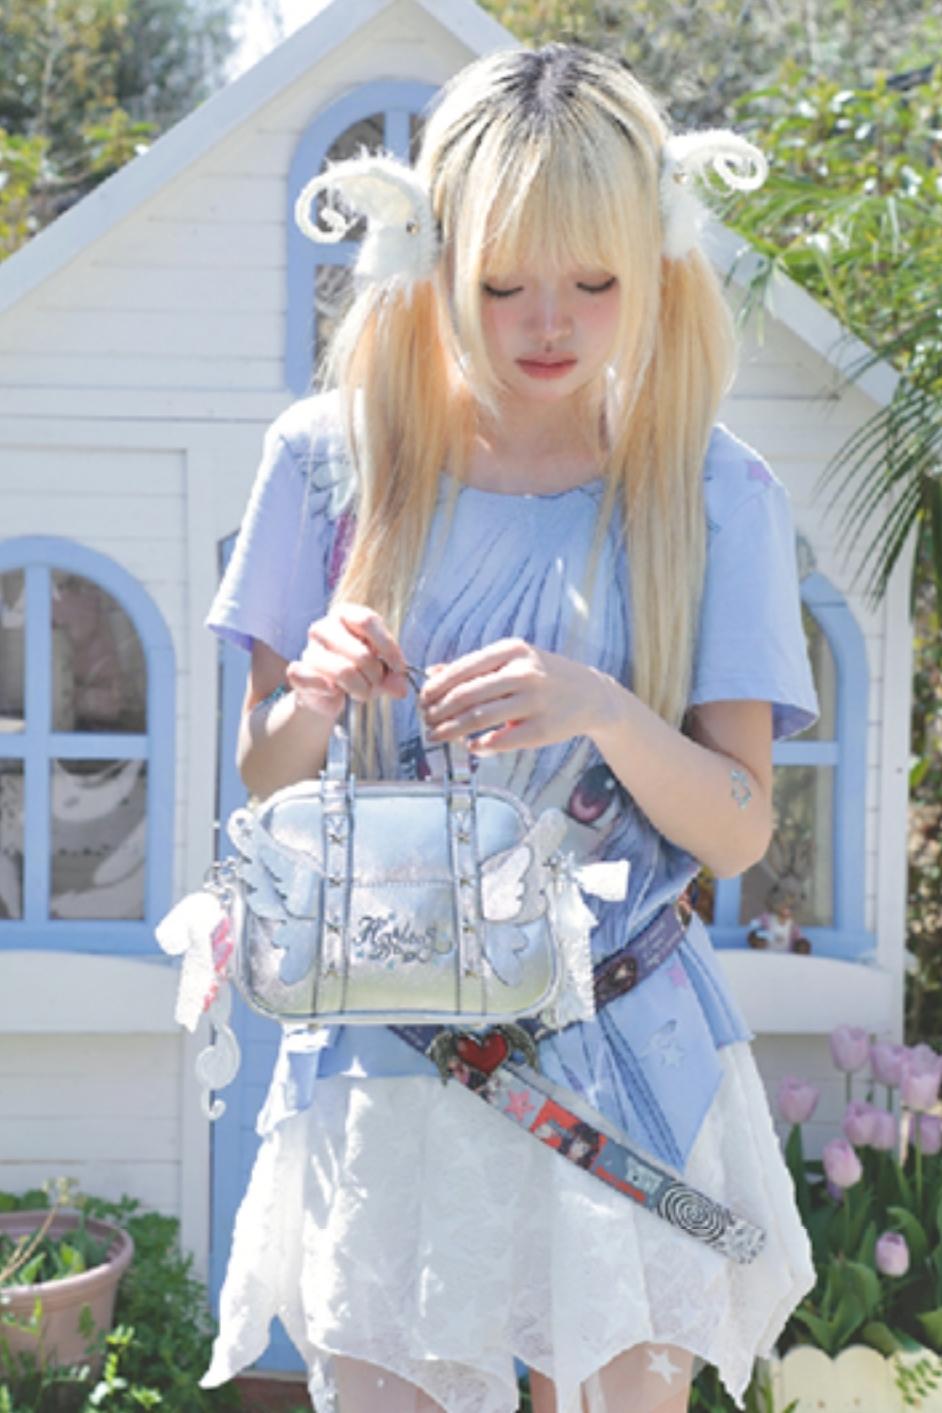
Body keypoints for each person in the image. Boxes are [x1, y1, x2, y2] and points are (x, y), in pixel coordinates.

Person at [199, 42, 821, 1413]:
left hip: (629, 1061)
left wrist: (600, 706)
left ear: (654, 262)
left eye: (594, 281)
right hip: (394, 1069)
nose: (549, 322)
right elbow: (260, 771)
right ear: (433, 258)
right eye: (502, 284)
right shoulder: (326, 460)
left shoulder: (714, 492)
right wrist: (316, 687)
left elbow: (737, 827)